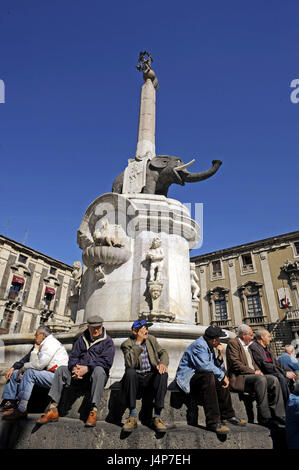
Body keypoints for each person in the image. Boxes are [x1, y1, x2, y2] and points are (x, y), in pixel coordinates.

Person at [36, 314, 115, 427]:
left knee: (99, 370)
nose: (96, 330)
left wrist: (87, 368)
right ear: (88, 327)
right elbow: (73, 357)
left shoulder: (108, 341)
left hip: (94, 377)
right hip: (78, 375)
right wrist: (74, 368)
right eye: (94, 328)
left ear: (102, 326)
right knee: (61, 370)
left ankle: (93, 411)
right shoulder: (81, 339)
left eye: (99, 327)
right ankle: (53, 409)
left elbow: (106, 362)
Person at [175, 325, 246, 435]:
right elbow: (204, 367)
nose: (220, 342)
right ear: (214, 340)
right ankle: (213, 422)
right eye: (219, 339)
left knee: (220, 378)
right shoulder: (199, 345)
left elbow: (216, 368)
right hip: (188, 378)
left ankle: (228, 415)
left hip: (201, 376)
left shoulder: (210, 346)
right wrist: (222, 375)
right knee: (210, 375)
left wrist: (220, 356)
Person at [1, 326, 69, 420]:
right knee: (20, 373)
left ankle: (21, 409)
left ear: (43, 335)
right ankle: (11, 403)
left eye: (36, 335)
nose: (34, 337)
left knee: (29, 373)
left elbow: (40, 364)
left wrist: (24, 367)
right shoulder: (45, 343)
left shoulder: (50, 344)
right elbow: (32, 361)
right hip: (49, 374)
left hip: (57, 376)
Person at [226, 324, 286, 428]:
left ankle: (279, 414)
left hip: (251, 376)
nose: (252, 337)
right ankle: (264, 417)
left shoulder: (247, 346)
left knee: (273, 379)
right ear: (244, 335)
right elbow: (236, 364)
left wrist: (257, 370)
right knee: (260, 379)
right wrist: (254, 372)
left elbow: (253, 363)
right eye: (250, 334)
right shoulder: (233, 343)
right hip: (240, 378)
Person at [120, 319, 169, 432]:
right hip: (136, 379)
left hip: (150, 377)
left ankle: (157, 416)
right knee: (130, 372)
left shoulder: (151, 340)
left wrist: (162, 363)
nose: (146, 331)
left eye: (147, 328)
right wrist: (138, 342)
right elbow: (130, 363)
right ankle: (132, 416)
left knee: (163, 374)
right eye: (143, 329)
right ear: (135, 331)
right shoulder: (126, 344)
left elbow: (163, 352)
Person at [249, 328, 296, 406]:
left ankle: (289, 402)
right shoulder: (254, 347)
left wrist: (288, 371)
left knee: (289, 377)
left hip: (272, 371)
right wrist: (284, 373)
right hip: (264, 373)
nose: (270, 339)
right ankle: (286, 405)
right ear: (262, 337)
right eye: (269, 336)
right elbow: (265, 365)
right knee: (281, 377)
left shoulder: (266, 349)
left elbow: (277, 363)